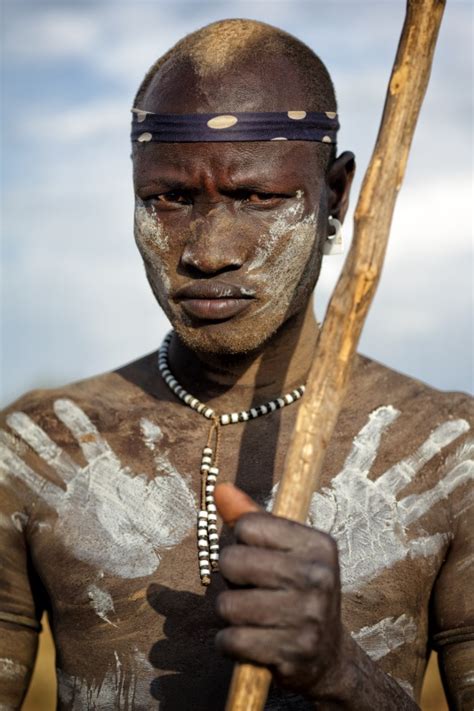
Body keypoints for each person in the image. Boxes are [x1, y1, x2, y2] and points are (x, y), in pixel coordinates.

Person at [0, 18, 472, 711]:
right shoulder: (40, 448)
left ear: (336, 196)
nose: (207, 252)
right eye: (170, 199)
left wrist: (346, 674)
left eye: (258, 198)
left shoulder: (448, 452)